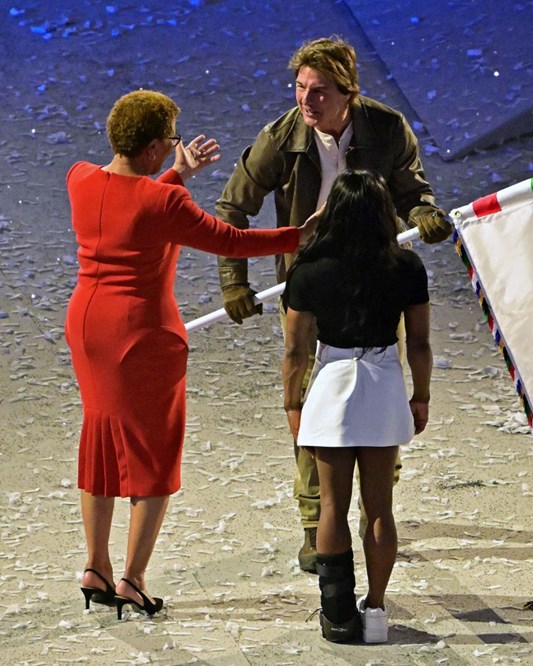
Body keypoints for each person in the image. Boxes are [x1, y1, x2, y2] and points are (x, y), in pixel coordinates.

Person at [66, 90, 318, 619]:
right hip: (142, 338)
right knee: (153, 456)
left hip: (88, 328)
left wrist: (176, 174)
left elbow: (134, 212)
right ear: (157, 146)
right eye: (172, 141)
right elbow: (229, 240)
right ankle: (132, 579)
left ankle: (95, 566)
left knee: (101, 442)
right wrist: (299, 234)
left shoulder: (80, 178)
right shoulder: (165, 203)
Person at [214, 36, 450, 574]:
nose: (306, 100)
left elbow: (414, 189)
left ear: (348, 93)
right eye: (300, 88)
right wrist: (235, 279)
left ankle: (376, 510)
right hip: (310, 279)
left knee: (379, 391)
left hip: (374, 275)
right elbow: (232, 206)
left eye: (319, 91)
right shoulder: (282, 138)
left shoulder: (386, 129)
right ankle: (314, 519)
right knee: (309, 405)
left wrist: (426, 213)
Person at [282, 169, 432, 644]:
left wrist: (292, 404)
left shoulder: (309, 269)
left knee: (332, 506)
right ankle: (377, 608)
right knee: (380, 508)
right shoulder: (406, 267)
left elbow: (295, 351)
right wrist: (421, 395)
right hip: (384, 380)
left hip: (332, 382)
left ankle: (337, 613)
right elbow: (421, 344)